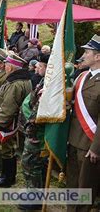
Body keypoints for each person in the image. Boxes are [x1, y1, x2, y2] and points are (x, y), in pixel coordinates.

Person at [66, 34, 100, 212]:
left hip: (89, 143)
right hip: (73, 138)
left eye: (87, 52)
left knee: (85, 187)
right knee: (72, 182)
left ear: (98, 56)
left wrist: (96, 147)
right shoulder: (82, 77)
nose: (84, 55)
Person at [0, 51, 31, 187]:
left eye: (6, 64)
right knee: (9, 150)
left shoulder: (15, 84)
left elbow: (8, 107)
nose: (5, 66)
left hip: (9, 124)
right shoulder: (20, 81)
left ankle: (7, 178)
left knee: (7, 150)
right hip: (12, 121)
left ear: (11, 67)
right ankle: (6, 176)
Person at [18, 54, 49, 210]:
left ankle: (35, 198)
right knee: (34, 165)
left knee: (31, 164)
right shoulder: (43, 81)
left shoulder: (50, 85)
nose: (37, 67)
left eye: (41, 65)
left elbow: (39, 111)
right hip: (33, 131)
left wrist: (31, 131)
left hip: (37, 134)